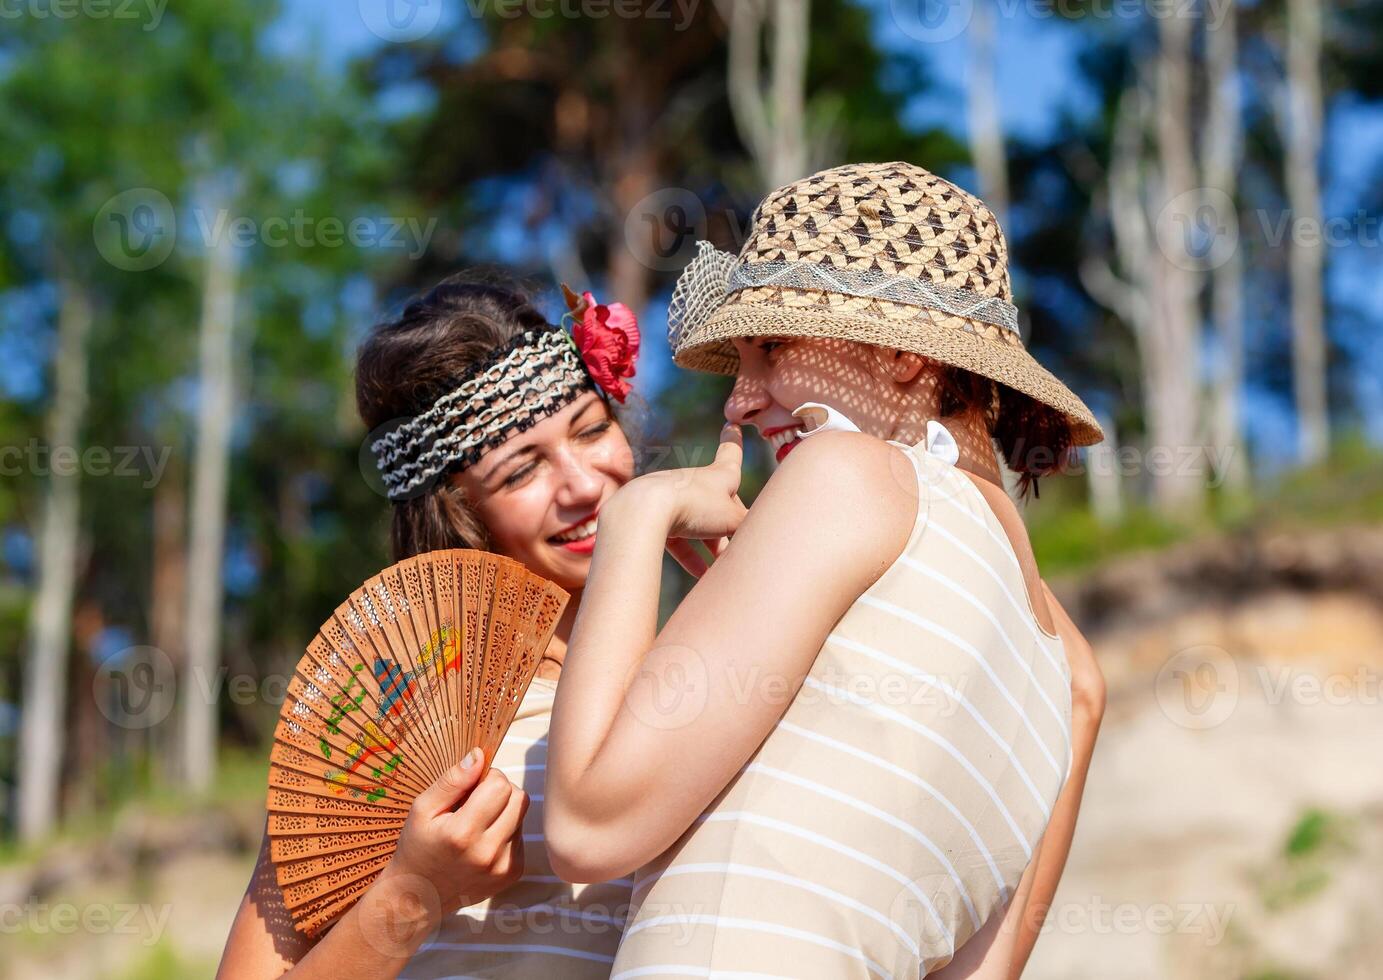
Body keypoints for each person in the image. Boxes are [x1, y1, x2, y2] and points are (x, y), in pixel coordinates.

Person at [544, 162, 1107, 978]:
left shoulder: (850, 475)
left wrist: (638, 516)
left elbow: (589, 826)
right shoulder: (1065, 678)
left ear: (903, 357)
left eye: (770, 348)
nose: (738, 400)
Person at [216, 274, 643, 979]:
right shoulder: (388, 715)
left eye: (592, 430)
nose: (584, 485)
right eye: (519, 472)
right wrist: (416, 892)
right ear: (459, 513)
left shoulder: (702, 661)